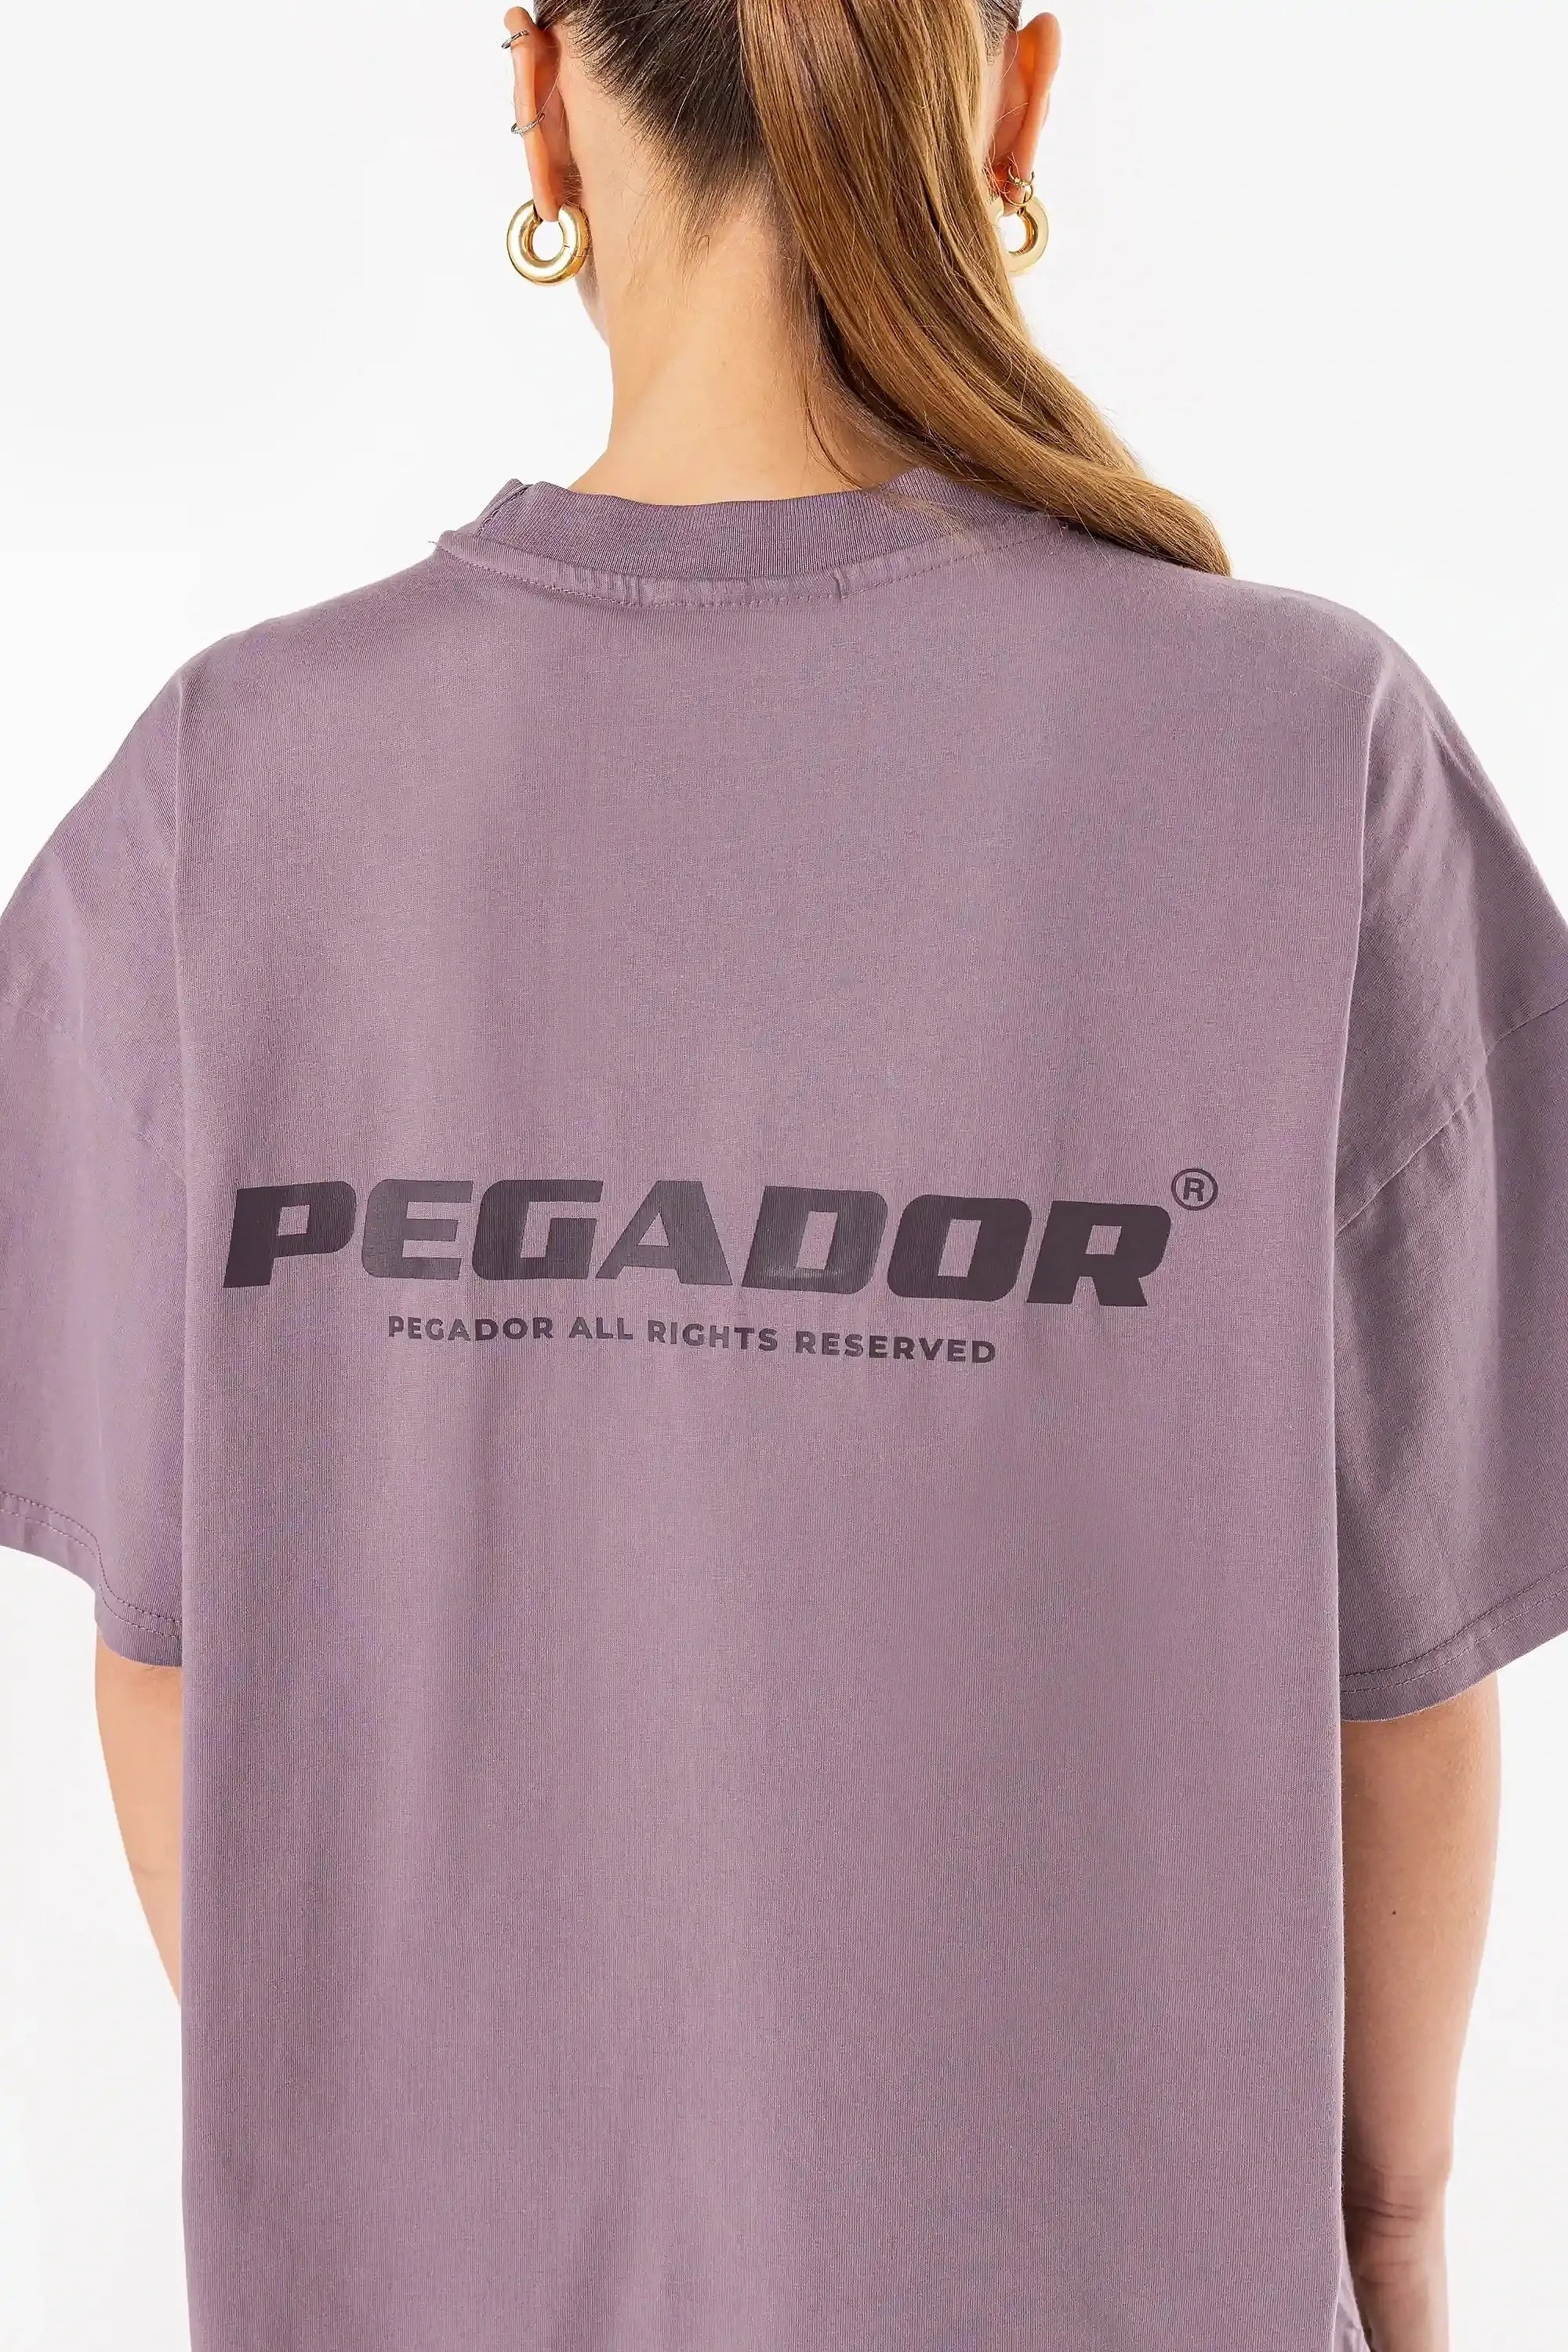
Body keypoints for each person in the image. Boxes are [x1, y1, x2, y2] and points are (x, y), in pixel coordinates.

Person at [1, 1, 1563, 2347]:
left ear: (542, 94)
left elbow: (176, 1657)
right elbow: (1403, 1684)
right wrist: (1398, 2242)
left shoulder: (233, 791)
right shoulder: (1303, 749)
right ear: (1014, 97)